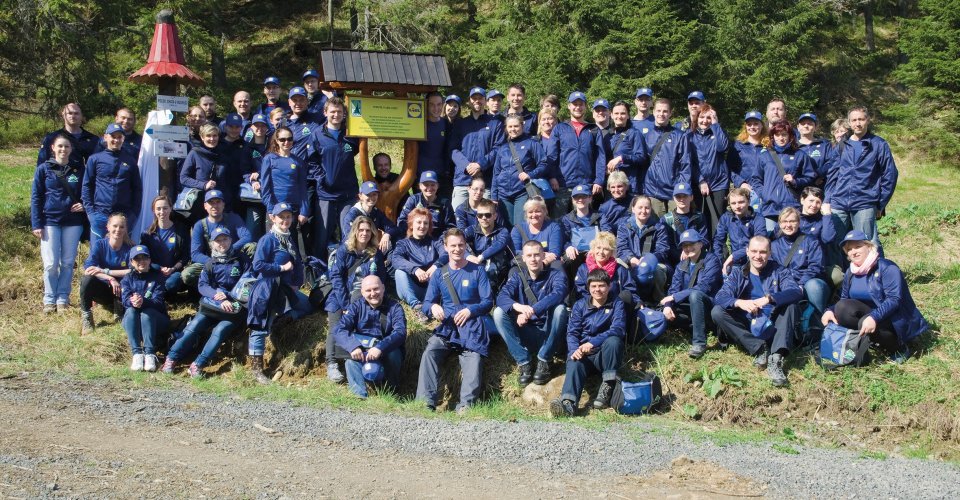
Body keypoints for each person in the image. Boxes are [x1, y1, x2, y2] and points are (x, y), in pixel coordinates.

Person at [416, 228, 494, 413]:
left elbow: (488, 301)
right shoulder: (439, 274)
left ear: (466, 246)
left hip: (472, 325)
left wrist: (470, 310)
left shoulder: (478, 271)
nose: (457, 249)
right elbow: (427, 302)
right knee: (430, 351)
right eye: (453, 246)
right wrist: (433, 307)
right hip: (448, 327)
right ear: (445, 247)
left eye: (461, 245)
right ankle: (426, 402)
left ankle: (466, 404)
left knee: (473, 357)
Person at [822, 230, 928, 363]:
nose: (853, 251)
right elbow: (844, 299)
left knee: (864, 321)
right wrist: (830, 311)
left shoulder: (887, 268)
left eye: (858, 246)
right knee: (842, 307)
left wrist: (874, 317)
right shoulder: (851, 271)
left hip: (894, 318)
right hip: (870, 316)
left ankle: (898, 348)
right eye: (849, 249)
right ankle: (873, 341)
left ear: (869, 246)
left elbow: (895, 300)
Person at [711, 236, 803, 386]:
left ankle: (776, 358)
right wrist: (739, 302)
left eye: (762, 252)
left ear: (769, 253)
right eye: (754, 251)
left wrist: (770, 298)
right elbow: (720, 296)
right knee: (717, 311)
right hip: (750, 321)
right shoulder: (738, 273)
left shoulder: (779, 271)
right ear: (747, 252)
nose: (757, 256)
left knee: (791, 306)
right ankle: (760, 349)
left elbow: (796, 291)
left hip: (774, 322)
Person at [163, 226, 251, 378]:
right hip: (213, 305)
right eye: (218, 240)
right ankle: (171, 359)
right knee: (194, 325)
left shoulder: (242, 259)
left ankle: (197, 365)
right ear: (212, 243)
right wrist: (216, 293)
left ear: (231, 240)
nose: (222, 243)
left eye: (225, 239)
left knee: (220, 331)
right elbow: (202, 285)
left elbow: (248, 282)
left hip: (234, 308)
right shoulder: (210, 263)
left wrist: (229, 296)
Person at [246, 202, 313, 384]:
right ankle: (257, 371)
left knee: (308, 306)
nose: (285, 220)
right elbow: (258, 265)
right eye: (281, 217)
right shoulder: (268, 240)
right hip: (267, 288)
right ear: (272, 218)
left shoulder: (289, 239)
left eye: (288, 216)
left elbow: (298, 264)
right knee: (260, 327)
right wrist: (281, 267)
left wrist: (296, 284)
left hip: (285, 290)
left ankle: (278, 322)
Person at [549, 269, 626, 417]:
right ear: (588, 288)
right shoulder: (579, 305)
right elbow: (572, 332)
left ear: (609, 286)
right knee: (574, 360)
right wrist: (574, 350)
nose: (597, 290)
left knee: (614, 341)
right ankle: (568, 405)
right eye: (594, 286)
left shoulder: (617, 303)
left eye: (602, 286)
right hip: (584, 355)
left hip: (604, 355)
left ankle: (607, 386)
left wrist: (593, 342)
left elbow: (618, 329)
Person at [493, 240, 569, 386]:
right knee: (498, 313)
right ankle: (524, 362)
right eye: (529, 255)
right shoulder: (517, 277)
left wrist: (532, 310)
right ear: (523, 258)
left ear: (543, 256)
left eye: (536, 255)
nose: (533, 259)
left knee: (560, 310)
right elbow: (501, 297)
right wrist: (519, 308)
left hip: (549, 332)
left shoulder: (556, 275)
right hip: (526, 331)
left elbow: (559, 293)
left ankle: (544, 360)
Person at [822, 106, 898, 251]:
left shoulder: (878, 144)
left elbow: (890, 175)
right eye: (854, 120)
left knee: (867, 244)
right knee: (836, 244)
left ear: (868, 120)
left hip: (865, 202)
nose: (858, 123)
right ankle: (843, 273)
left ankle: (876, 273)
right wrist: (828, 199)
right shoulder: (842, 145)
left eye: (861, 119)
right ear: (849, 123)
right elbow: (832, 175)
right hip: (839, 202)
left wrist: (880, 204)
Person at [324, 216, 388, 383]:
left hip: (367, 297)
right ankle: (331, 363)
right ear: (355, 232)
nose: (364, 233)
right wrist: (345, 305)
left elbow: (381, 277)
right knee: (336, 325)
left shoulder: (375, 253)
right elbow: (336, 277)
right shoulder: (344, 250)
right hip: (342, 295)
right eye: (361, 230)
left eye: (368, 230)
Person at [32, 133, 85, 313]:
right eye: (60, 146)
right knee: (51, 263)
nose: (63, 149)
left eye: (67, 146)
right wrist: (36, 223)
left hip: (73, 222)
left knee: (68, 262)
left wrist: (83, 204)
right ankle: (49, 299)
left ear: (71, 149)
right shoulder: (43, 169)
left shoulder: (78, 170)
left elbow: (87, 190)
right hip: (49, 221)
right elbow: (36, 197)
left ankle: (63, 298)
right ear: (53, 148)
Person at [332, 275, 407, 398]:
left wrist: (380, 348)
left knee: (394, 354)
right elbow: (339, 329)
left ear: (383, 288)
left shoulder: (395, 307)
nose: (373, 293)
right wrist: (353, 346)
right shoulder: (356, 307)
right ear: (362, 292)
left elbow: (400, 332)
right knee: (350, 360)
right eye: (368, 290)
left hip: (386, 350)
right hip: (362, 350)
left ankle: (391, 393)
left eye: (376, 289)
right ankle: (358, 395)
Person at [661, 229, 723, 358]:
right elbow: (673, 289)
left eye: (691, 244)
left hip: (708, 306)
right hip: (689, 306)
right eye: (685, 245)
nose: (688, 248)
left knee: (695, 295)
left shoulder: (712, 260)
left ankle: (699, 342)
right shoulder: (681, 265)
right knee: (664, 310)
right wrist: (667, 305)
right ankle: (696, 326)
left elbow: (704, 286)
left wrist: (675, 297)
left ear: (700, 244)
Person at [312, 97, 360, 260]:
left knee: (348, 233)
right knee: (322, 234)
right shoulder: (317, 134)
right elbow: (311, 161)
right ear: (325, 113)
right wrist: (322, 179)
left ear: (344, 114)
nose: (336, 115)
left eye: (339, 111)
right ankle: (318, 269)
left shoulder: (351, 133)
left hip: (348, 194)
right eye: (332, 111)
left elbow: (356, 152)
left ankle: (346, 268)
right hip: (326, 194)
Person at [771, 207, 827, 344]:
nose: (788, 225)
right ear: (779, 223)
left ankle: (816, 325)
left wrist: (801, 284)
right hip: (786, 284)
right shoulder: (774, 245)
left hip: (807, 282)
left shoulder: (810, 241)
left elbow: (816, 266)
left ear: (799, 222)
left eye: (792, 221)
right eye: (784, 221)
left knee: (814, 286)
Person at [81, 123, 141, 248]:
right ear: (105, 137)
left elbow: (137, 189)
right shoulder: (95, 159)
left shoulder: (130, 161)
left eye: (119, 137)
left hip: (124, 216)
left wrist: (134, 213)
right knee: (97, 253)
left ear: (123, 139)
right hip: (100, 214)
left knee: (121, 254)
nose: (116, 140)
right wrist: (91, 213)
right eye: (113, 136)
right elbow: (87, 186)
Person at [752, 120, 815, 231]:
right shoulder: (764, 155)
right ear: (772, 136)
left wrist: (796, 181)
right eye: (777, 135)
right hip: (770, 208)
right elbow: (756, 178)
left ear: (790, 136)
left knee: (791, 242)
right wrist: (764, 194)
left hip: (791, 206)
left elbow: (810, 177)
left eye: (784, 134)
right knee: (770, 241)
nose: (781, 138)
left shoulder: (799, 155)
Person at [183, 190, 254, 287]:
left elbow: (247, 237)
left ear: (223, 204)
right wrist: (213, 263)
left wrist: (230, 250)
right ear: (205, 206)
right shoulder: (200, 225)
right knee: (187, 274)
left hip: (233, 260)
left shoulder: (233, 218)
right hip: (211, 262)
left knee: (252, 246)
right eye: (211, 202)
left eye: (218, 202)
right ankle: (206, 287)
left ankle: (245, 285)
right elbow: (195, 254)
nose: (215, 206)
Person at [551, 91, 605, 216]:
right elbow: (552, 156)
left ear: (585, 107)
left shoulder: (593, 129)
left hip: (586, 184)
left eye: (581, 104)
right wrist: (552, 176)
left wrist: (599, 180)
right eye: (574, 104)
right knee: (559, 220)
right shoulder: (560, 128)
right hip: (563, 184)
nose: (578, 107)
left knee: (584, 220)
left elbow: (600, 157)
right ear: (569, 106)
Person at [449, 87, 504, 209]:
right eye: (474, 98)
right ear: (469, 101)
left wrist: (480, 165)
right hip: (463, 180)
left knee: (486, 220)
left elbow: (498, 149)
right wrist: (466, 165)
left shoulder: (495, 124)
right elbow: (453, 149)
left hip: (485, 181)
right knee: (458, 219)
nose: (477, 101)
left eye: (480, 98)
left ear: (485, 101)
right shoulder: (460, 124)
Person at [80, 213, 133, 334]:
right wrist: (110, 278)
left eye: (121, 227)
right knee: (86, 279)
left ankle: (118, 307)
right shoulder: (100, 245)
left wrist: (106, 271)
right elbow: (88, 268)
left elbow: (132, 271)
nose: (118, 230)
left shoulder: (130, 248)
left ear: (126, 229)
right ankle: (87, 317)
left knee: (128, 280)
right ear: (108, 227)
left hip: (123, 290)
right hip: (104, 288)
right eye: (115, 226)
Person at [491, 114, 549, 226]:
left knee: (519, 226)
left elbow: (543, 164)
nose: (513, 129)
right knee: (505, 226)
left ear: (522, 125)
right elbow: (496, 173)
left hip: (522, 192)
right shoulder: (503, 148)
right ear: (506, 128)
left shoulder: (532, 143)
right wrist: (494, 196)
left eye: (516, 126)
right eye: (510, 126)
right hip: (503, 194)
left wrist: (530, 174)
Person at [393, 207, 448, 321]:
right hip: (413, 288)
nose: (422, 226)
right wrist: (415, 269)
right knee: (399, 273)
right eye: (419, 222)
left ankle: (445, 304)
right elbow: (396, 259)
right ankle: (417, 307)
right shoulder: (403, 243)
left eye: (425, 223)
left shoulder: (435, 242)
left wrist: (435, 265)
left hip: (432, 287)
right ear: (411, 224)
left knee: (444, 269)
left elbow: (446, 254)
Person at [120, 245, 169, 372]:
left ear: (150, 260)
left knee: (147, 312)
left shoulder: (158, 277)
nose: (141, 261)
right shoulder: (127, 279)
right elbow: (125, 301)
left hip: (156, 319)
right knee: (130, 311)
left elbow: (158, 301)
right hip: (133, 320)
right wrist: (133, 302)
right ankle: (136, 353)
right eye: (137, 259)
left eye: (144, 258)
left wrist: (144, 301)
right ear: (131, 262)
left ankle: (150, 354)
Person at [617, 195, 674, 301]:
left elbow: (663, 250)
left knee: (658, 270)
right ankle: (628, 301)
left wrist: (648, 260)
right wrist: (631, 258)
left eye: (647, 208)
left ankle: (659, 301)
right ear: (633, 209)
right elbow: (621, 247)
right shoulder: (624, 226)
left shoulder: (659, 227)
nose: (643, 211)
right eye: (640, 207)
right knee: (619, 267)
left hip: (653, 263)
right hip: (630, 261)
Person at [641, 98, 692, 215]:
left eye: (665, 111)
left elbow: (685, 165)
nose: (661, 114)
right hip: (652, 190)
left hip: (674, 192)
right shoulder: (647, 135)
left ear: (670, 113)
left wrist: (682, 190)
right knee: (657, 229)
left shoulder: (680, 136)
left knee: (677, 228)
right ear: (653, 112)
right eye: (658, 111)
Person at [180, 123, 241, 214]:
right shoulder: (195, 153)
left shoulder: (225, 153)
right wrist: (203, 185)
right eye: (208, 136)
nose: (212, 139)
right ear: (202, 137)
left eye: (214, 136)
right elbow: (184, 178)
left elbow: (232, 178)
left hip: (223, 203)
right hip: (201, 203)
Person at [689, 104, 730, 236]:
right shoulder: (690, 136)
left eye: (709, 117)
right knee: (700, 220)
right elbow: (689, 163)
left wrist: (716, 125)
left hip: (719, 184)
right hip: (698, 185)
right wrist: (700, 180)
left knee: (716, 222)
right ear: (696, 118)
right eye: (702, 117)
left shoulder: (718, 133)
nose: (705, 121)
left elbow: (723, 148)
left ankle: (718, 251)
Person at [259, 126, 310, 233]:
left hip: (293, 210)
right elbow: (265, 187)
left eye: (289, 139)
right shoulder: (269, 159)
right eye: (282, 139)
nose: (286, 142)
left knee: (292, 244)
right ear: (277, 141)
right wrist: (270, 209)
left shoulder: (298, 161)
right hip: (275, 209)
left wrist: (304, 211)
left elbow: (303, 188)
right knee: (275, 243)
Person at [574, 232, 639, 310]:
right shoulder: (583, 269)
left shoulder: (620, 269)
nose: (601, 252)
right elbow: (581, 292)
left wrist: (638, 302)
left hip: (615, 309)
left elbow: (630, 290)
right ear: (593, 249)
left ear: (611, 252)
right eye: (598, 248)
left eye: (606, 249)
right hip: (590, 309)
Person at [139, 195, 190, 295]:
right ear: (153, 210)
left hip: (174, 272)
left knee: (171, 284)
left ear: (171, 208)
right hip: (154, 270)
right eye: (158, 209)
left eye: (165, 208)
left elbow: (185, 256)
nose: (162, 212)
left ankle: (158, 292)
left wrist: (173, 269)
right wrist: (159, 268)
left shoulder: (181, 230)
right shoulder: (147, 233)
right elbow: (144, 257)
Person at [715, 187, 769, 271]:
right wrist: (720, 261)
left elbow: (760, 243)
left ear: (749, 202)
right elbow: (718, 241)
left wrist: (734, 256)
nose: (737, 206)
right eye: (733, 203)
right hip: (734, 264)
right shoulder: (726, 218)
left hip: (753, 261)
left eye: (741, 202)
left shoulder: (758, 218)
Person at [340, 181, 401, 254]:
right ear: (360, 196)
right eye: (368, 195)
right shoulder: (352, 215)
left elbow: (393, 228)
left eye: (374, 194)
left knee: (397, 240)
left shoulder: (375, 212)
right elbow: (349, 238)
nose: (372, 198)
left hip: (370, 248)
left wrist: (387, 234)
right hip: (352, 251)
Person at [798, 186, 842, 286]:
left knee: (837, 276)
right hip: (796, 264)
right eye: (811, 200)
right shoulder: (793, 219)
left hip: (817, 265)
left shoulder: (823, 221)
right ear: (802, 200)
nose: (814, 205)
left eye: (818, 202)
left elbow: (828, 239)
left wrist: (827, 215)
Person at [463, 198, 511, 286]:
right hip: (476, 262)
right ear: (477, 217)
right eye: (480, 215)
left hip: (497, 269)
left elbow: (500, 244)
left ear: (495, 216)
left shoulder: (502, 231)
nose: (484, 218)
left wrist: (482, 257)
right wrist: (467, 255)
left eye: (488, 215)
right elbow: (456, 240)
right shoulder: (471, 230)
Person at [37, 103, 99, 168]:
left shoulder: (93, 139)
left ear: (81, 116)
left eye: (76, 113)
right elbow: (41, 165)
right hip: (59, 177)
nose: (73, 116)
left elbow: (98, 165)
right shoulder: (51, 138)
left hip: (84, 177)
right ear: (63, 115)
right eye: (69, 113)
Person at [605, 101, 647, 195]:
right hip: (612, 186)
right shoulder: (608, 136)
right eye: (616, 113)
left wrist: (621, 158)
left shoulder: (634, 134)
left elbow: (642, 158)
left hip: (630, 186)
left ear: (628, 116)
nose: (619, 116)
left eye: (623, 113)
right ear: (611, 115)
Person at [398, 171, 456, 238]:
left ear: (437, 186)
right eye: (426, 185)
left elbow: (450, 226)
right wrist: (412, 236)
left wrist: (440, 241)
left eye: (433, 185)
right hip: (415, 238)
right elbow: (402, 221)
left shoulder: (445, 203)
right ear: (420, 186)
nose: (429, 188)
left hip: (437, 240)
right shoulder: (413, 200)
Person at [560, 184, 600, 275]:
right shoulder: (566, 219)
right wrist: (568, 247)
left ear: (590, 198)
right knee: (569, 258)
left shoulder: (599, 216)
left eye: (584, 196)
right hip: (576, 254)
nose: (580, 200)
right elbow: (564, 238)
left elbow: (606, 233)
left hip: (595, 251)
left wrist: (597, 248)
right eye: (576, 197)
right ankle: (573, 286)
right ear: (572, 200)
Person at [511, 197, 562, 267]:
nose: (534, 215)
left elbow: (554, 253)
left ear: (544, 212)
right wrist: (539, 254)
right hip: (525, 264)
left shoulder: (553, 227)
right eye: (530, 212)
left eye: (537, 211)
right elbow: (515, 251)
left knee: (557, 265)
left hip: (547, 263)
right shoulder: (518, 229)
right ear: (526, 214)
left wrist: (543, 263)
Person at [419, 92, 451, 198]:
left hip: (441, 176)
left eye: (438, 104)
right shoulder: (418, 124)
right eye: (432, 104)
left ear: (442, 105)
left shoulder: (446, 124)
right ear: (426, 105)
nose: (436, 108)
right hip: (421, 176)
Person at [662, 182, 707, 254]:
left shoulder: (699, 217)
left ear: (691, 197)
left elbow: (704, 240)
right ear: (674, 198)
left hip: (695, 255)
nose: (682, 199)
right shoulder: (667, 219)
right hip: (674, 259)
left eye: (685, 196)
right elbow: (665, 244)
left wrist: (689, 250)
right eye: (678, 196)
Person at [731, 111, 767, 193]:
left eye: (756, 123)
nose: (752, 127)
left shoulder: (769, 146)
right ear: (745, 127)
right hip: (744, 190)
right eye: (749, 124)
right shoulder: (737, 145)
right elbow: (729, 169)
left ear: (762, 125)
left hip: (765, 190)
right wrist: (741, 183)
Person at [597, 171, 632, 235]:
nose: (616, 190)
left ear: (626, 186)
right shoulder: (604, 208)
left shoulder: (635, 203)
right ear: (609, 189)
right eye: (613, 187)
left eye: (619, 186)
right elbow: (605, 228)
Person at [796, 113, 828, 181]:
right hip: (798, 187)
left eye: (809, 123)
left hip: (820, 186)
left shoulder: (825, 145)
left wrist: (818, 175)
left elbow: (830, 163)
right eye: (803, 124)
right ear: (798, 127)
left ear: (816, 127)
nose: (806, 126)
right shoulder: (792, 146)